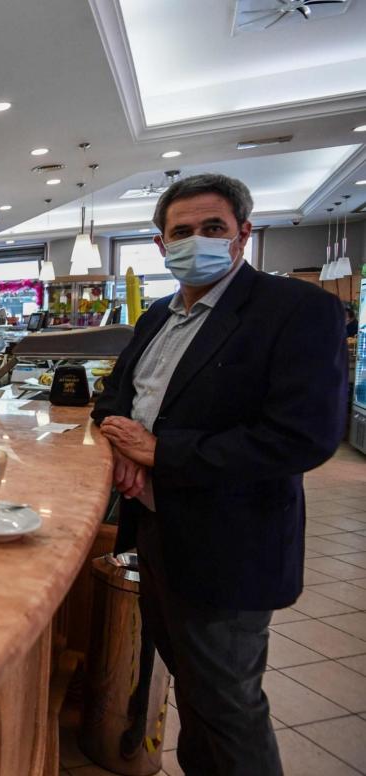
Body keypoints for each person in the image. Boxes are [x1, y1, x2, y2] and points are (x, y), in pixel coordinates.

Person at [91, 173, 347, 775]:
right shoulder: (159, 315)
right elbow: (114, 396)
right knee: (199, 692)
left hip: (229, 543)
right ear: (161, 244)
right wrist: (124, 448)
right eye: (182, 232)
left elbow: (302, 437)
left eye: (213, 228)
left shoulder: (298, 310)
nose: (196, 241)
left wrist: (161, 451)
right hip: (155, 530)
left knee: (230, 704)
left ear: (242, 235)